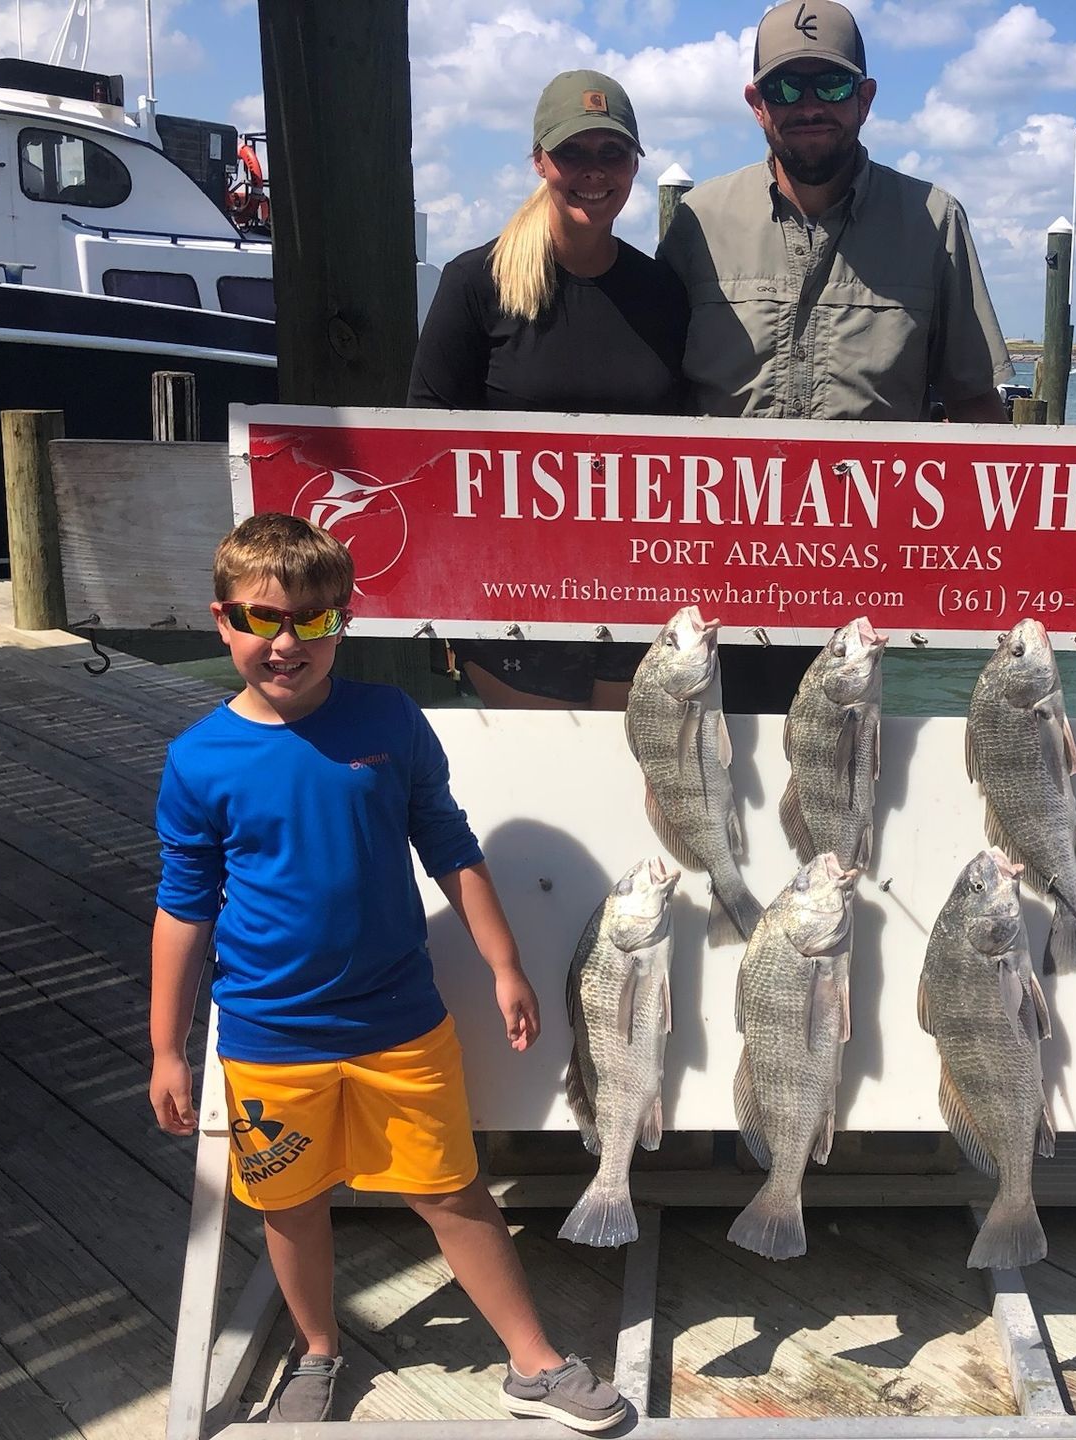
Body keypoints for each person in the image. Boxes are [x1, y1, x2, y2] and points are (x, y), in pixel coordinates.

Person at [148, 513, 627, 1432]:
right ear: (222, 621)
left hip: (402, 1023)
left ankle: (532, 1362)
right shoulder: (196, 760)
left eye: (315, 623)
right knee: (290, 1207)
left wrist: (505, 962)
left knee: (452, 1188)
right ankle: (318, 1351)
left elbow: (448, 843)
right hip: (266, 1038)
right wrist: (168, 1048)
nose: (287, 644)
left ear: (345, 622)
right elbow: (183, 906)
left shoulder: (390, 720)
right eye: (262, 621)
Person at [656, 0, 1013, 711]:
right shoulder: (698, 220)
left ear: (867, 99)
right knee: (723, 781)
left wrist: (985, 575)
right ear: (757, 104)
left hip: (870, 586)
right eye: (787, 87)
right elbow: (656, 390)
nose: (809, 104)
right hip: (719, 577)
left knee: (853, 793)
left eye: (832, 85)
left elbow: (976, 406)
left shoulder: (935, 219)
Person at [409, 69, 688, 711]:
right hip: (513, 600)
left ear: (634, 165)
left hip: (637, 591)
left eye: (611, 153)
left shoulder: (663, 293)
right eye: (573, 153)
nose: (594, 171)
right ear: (540, 161)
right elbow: (426, 449)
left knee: (623, 793)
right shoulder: (473, 283)